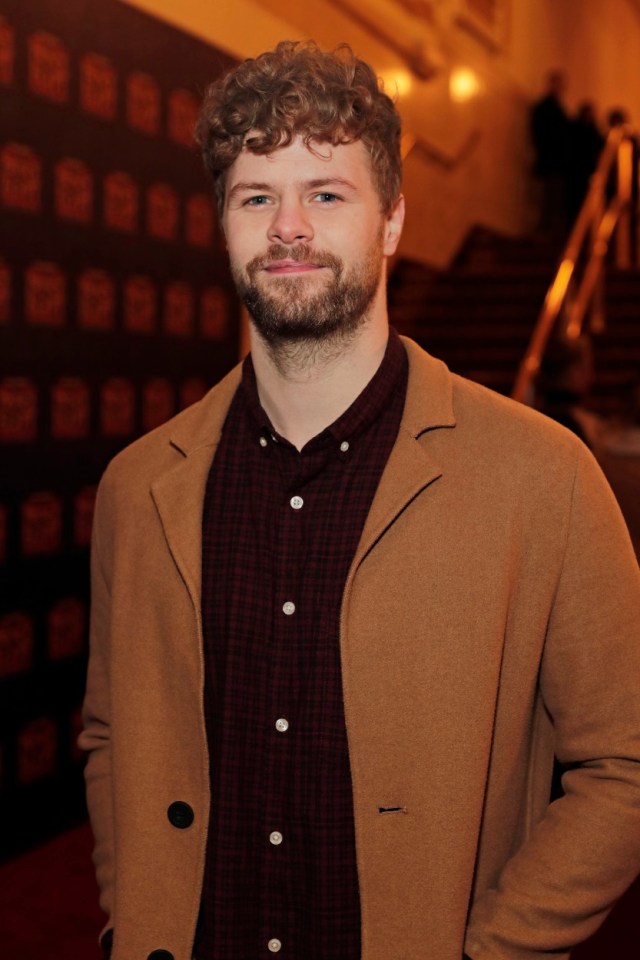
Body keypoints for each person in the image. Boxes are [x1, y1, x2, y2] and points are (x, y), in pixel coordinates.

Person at [80, 41, 640, 960]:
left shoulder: (545, 475)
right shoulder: (139, 485)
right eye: (257, 197)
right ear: (224, 226)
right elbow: (112, 734)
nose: (289, 227)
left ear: (391, 222)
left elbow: (625, 761)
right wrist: (128, 911)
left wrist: (495, 950)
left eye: (327, 194)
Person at [530, 70, 572, 238]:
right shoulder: (546, 108)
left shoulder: (554, 107)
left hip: (554, 161)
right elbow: (542, 134)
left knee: (554, 197)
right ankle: (548, 230)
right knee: (551, 197)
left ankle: (549, 229)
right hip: (552, 160)